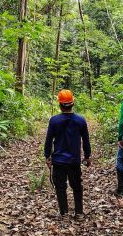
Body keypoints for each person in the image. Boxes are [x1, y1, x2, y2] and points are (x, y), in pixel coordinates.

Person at [44, 89, 91, 220]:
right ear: (72, 103)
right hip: (74, 161)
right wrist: (87, 156)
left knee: (60, 187)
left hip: (58, 160)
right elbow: (86, 140)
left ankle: (64, 214)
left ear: (60, 104)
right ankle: (79, 213)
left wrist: (47, 156)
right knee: (77, 186)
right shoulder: (80, 120)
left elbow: (48, 140)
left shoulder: (54, 120)